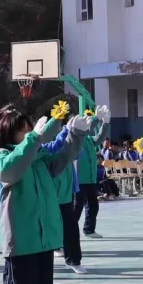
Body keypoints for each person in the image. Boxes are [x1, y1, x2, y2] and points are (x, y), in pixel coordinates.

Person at [0, 107, 91, 284]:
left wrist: (76, 134)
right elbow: (11, 170)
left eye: (29, 128)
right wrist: (33, 139)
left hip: (44, 238)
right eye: (22, 129)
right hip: (23, 239)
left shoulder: (38, 158)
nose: (28, 132)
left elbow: (63, 158)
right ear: (9, 133)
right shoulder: (4, 157)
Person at [41, 112, 86, 274]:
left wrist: (76, 133)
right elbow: (56, 146)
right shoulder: (44, 147)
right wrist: (67, 131)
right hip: (49, 196)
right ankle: (43, 263)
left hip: (66, 194)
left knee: (71, 228)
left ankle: (74, 259)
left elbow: (77, 152)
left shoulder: (64, 141)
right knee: (46, 229)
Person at [74, 106, 111, 239]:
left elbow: (100, 137)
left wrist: (105, 123)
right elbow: (88, 128)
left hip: (90, 179)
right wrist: (96, 118)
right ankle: (68, 234)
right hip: (79, 180)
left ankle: (89, 229)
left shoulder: (89, 140)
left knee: (93, 206)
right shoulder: (75, 139)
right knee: (76, 209)